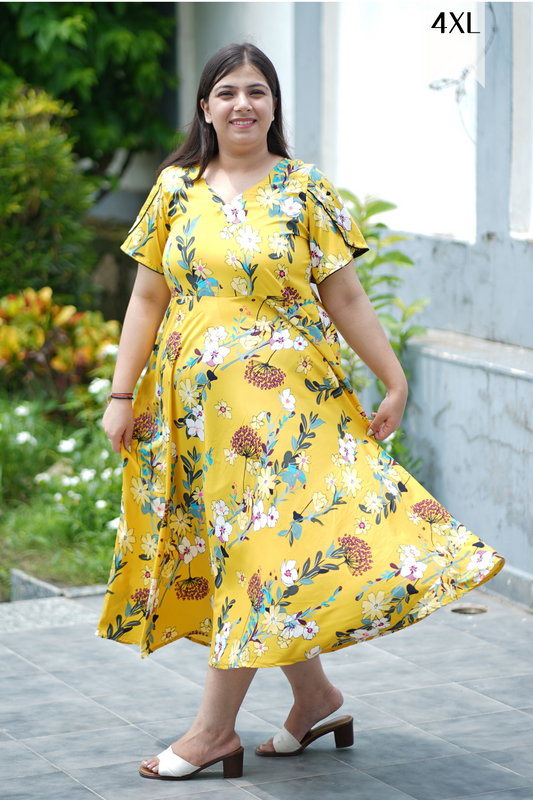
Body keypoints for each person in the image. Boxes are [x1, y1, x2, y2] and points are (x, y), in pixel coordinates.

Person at [98, 43, 504, 781]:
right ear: (204, 107)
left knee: (260, 547)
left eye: (257, 91)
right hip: (196, 410)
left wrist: (392, 380)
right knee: (254, 552)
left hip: (289, 403)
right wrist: (121, 394)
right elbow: (147, 297)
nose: (242, 103)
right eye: (227, 92)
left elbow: (343, 294)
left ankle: (211, 731)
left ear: (274, 106)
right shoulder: (174, 189)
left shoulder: (304, 190)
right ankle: (314, 696)